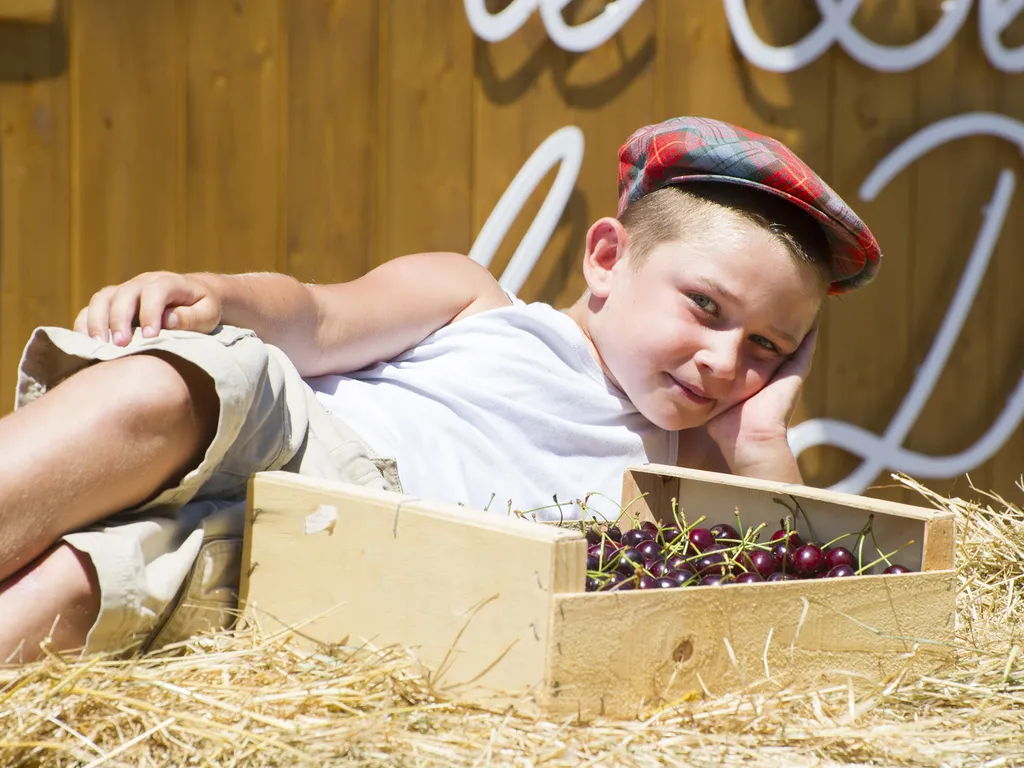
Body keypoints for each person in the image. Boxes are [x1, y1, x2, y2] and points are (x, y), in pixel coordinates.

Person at [0, 116, 880, 662]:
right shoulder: (474, 301)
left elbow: (775, 604)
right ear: (608, 259)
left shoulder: (687, 467)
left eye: (770, 347)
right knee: (173, 391)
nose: (727, 364)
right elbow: (314, 318)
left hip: (344, 566)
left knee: (87, 591)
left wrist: (763, 437)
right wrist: (219, 296)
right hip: (312, 439)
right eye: (705, 306)